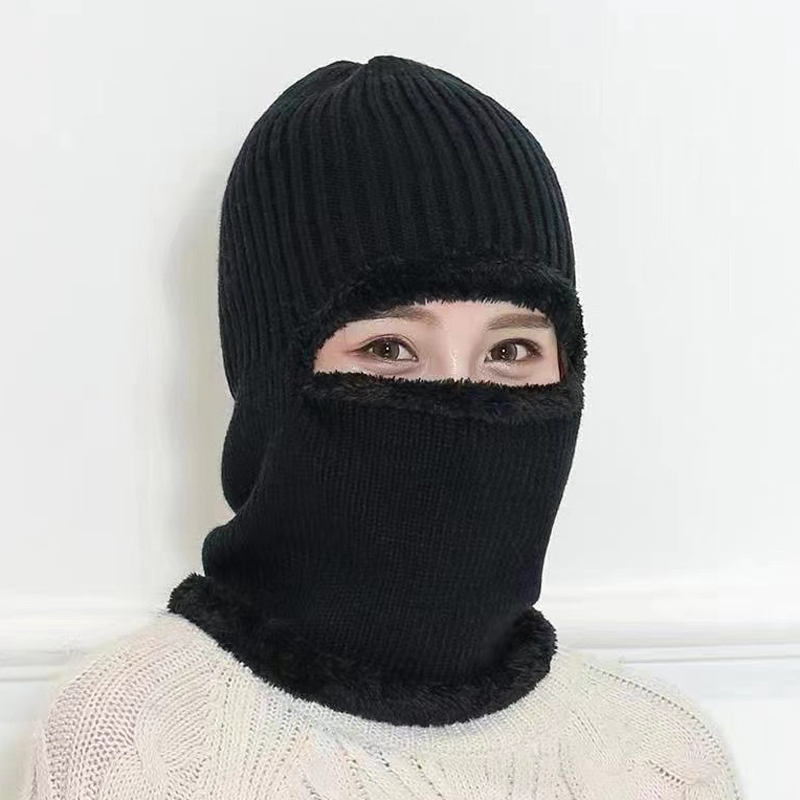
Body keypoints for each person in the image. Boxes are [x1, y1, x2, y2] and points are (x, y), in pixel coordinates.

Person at [20, 54, 743, 799]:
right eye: (389, 348)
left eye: (511, 351)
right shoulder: (133, 738)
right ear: (271, 383)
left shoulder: (662, 755)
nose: (463, 396)